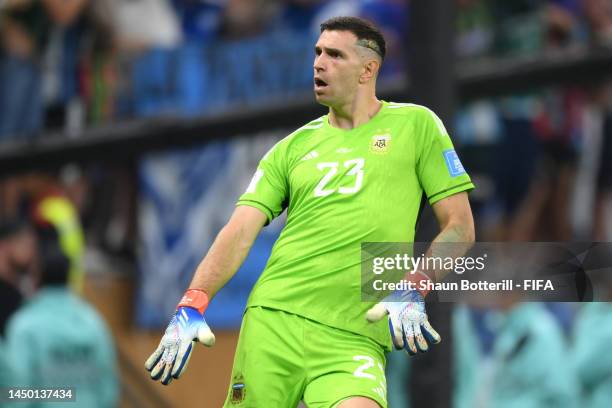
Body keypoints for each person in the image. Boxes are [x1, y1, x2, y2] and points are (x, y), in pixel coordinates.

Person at [145, 16, 475, 408]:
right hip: (275, 320)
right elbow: (239, 230)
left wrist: (418, 282)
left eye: (334, 55)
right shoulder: (290, 149)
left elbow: (460, 228)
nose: (319, 63)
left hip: (354, 334)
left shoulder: (417, 125)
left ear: (368, 69)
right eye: (317, 53)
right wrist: (192, 301)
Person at [4, 236, 119, 407]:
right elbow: (107, 387)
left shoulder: (24, 325)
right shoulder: (93, 321)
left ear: (36, 277)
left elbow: (18, 390)